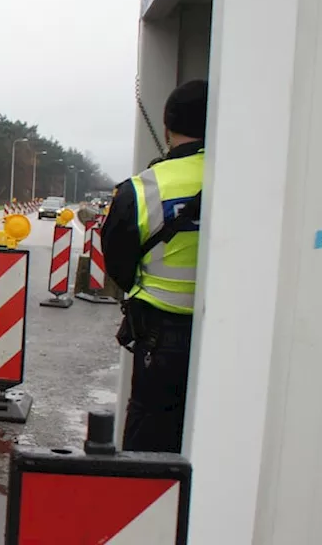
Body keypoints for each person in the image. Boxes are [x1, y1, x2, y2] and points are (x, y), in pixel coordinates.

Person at [101, 79, 206, 453]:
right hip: (230, 335)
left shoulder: (143, 187)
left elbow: (116, 261)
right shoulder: (247, 180)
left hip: (162, 335)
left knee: (149, 441)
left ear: (166, 127)